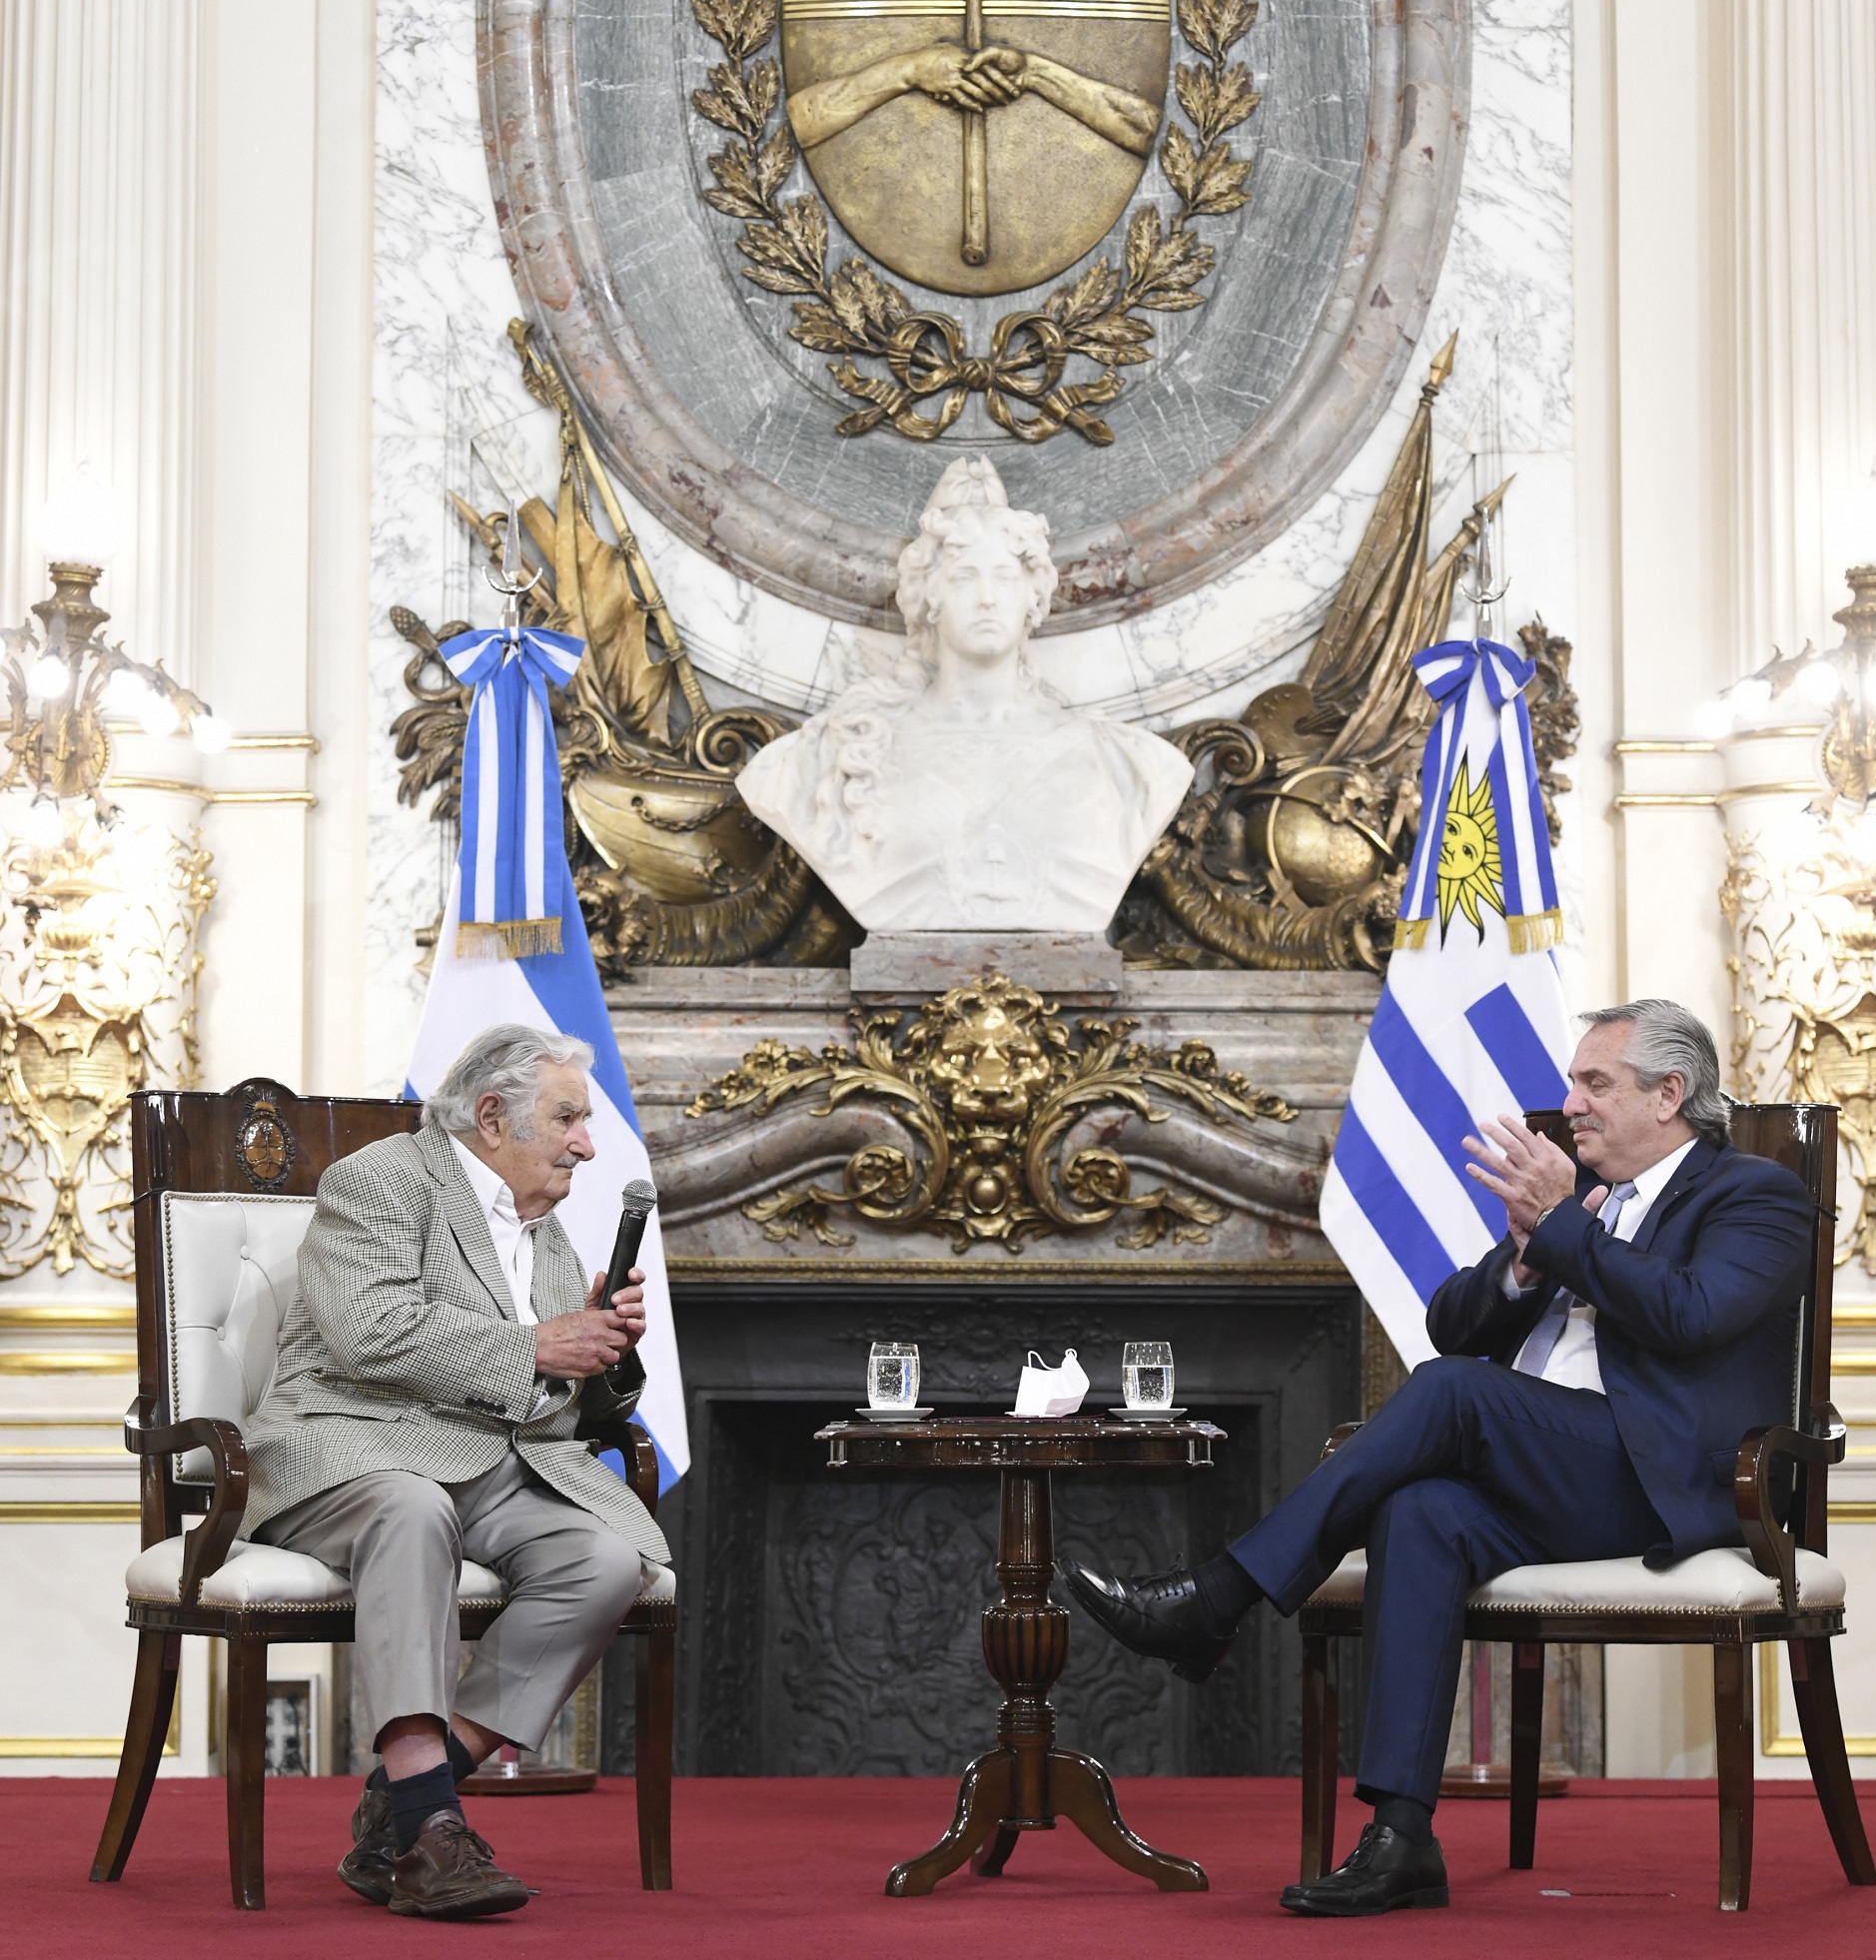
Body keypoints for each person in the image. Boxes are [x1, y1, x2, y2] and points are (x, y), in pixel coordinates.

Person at [1060, 999, 1814, 1915]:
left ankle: (1218, 1598)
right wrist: (1525, 1265)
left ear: (1670, 1094)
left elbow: (1691, 1314)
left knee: (1454, 1394)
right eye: (1575, 1082)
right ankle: (1401, 1838)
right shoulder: (1582, 1198)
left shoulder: (1754, 1196)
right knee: (1420, 1511)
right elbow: (1452, 1326)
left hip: (1656, 1479)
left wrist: (1565, 1236)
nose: (1570, 1103)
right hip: (1553, 1469)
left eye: (1595, 1083)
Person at [244, 1024, 670, 1920]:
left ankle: (406, 1797)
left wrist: (603, 1353)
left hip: (485, 1463)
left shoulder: (544, 1235)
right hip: (352, 1443)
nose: (587, 1143)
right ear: (490, 1116)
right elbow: (370, 1331)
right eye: (567, 1119)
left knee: (605, 1562)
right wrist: (537, 1342)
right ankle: (434, 1827)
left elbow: (549, 1405)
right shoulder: (383, 1180)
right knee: (410, 1509)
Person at [736, 455, 1191, 930]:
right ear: (930, 598)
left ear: (1034, 598)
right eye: (964, 578)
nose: (987, 598)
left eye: (1004, 578)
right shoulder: (835, 755)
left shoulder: (1129, 764)